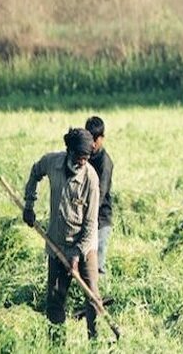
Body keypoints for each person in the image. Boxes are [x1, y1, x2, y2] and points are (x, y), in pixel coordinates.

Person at [22, 128, 101, 341]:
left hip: (84, 247)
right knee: (55, 301)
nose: (82, 162)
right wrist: (29, 204)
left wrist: (76, 254)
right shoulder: (52, 162)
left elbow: (91, 223)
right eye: (79, 157)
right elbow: (35, 172)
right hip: (56, 244)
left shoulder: (91, 179)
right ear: (69, 151)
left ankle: (95, 340)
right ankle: (56, 343)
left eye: (86, 158)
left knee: (92, 296)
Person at [85, 116, 114, 275]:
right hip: (86, 216)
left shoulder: (105, 162)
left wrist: (89, 216)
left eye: (96, 139)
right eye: (90, 139)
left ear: (102, 138)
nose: (93, 144)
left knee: (98, 262)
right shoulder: (84, 157)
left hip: (101, 218)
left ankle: (100, 296)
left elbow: (100, 194)